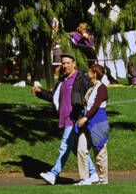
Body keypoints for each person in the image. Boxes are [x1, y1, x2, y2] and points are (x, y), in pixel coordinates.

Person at [32, 53, 99, 185]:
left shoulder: (80, 79)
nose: (65, 66)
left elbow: (93, 94)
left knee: (65, 146)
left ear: (74, 63)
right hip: (64, 118)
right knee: (75, 148)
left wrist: (85, 114)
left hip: (74, 119)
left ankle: (53, 173)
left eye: (68, 63)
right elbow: (53, 97)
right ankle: (93, 173)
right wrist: (40, 92)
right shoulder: (63, 80)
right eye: (63, 63)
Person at [77, 62, 111, 184]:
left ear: (95, 73)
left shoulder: (102, 88)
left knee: (100, 152)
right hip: (87, 122)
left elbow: (96, 105)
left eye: (90, 71)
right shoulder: (91, 88)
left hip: (98, 122)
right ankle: (85, 178)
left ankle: (103, 180)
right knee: (81, 149)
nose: (88, 73)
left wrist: (86, 117)